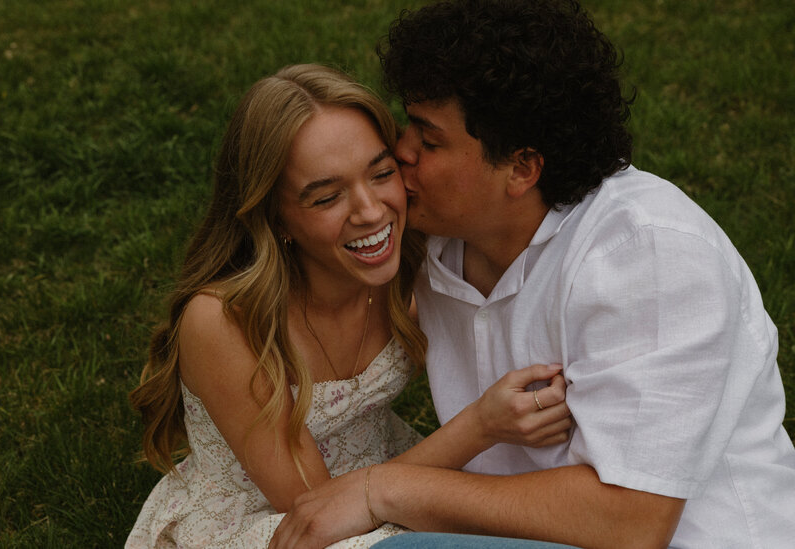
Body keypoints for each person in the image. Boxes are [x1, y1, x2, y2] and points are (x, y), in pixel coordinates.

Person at [269, 2, 795, 548]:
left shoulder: (646, 253)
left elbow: (632, 521)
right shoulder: (437, 236)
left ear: (521, 168)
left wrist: (384, 489)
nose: (400, 151)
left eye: (428, 140)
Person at [125, 63, 572, 548]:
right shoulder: (225, 321)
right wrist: (482, 425)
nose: (370, 211)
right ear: (277, 218)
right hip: (278, 524)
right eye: (326, 197)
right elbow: (317, 510)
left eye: (381, 173)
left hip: (385, 484)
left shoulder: (409, 272)